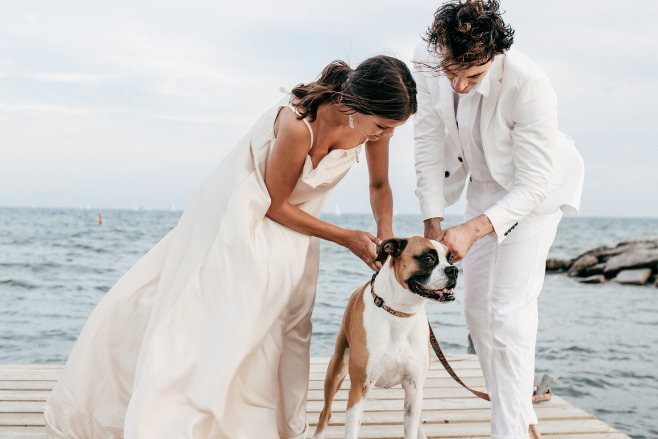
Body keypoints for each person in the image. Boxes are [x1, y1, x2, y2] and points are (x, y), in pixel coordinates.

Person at [45, 55, 417, 439]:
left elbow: (379, 186)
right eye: (384, 125)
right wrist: (344, 237)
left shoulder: (375, 129)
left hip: (299, 231)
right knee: (229, 317)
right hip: (247, 215)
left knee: (288, 323)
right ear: (358, 105)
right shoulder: (297, 125)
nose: (386, 135)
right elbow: (273, 204)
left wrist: (384, 239)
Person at [412, 1, 584, 438]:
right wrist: (434, 221)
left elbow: (534, 183)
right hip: (482, 189)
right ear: (439, 49)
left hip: (534, 195)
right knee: (476, 313)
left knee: (508, 314)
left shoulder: (529, 84)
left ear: (495, 55)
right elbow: (429, 140)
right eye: (453, 73)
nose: (460, 85)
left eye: (473, 76)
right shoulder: (428, 63)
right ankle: (522, 419)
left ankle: (507, 430)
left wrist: (472, 229)